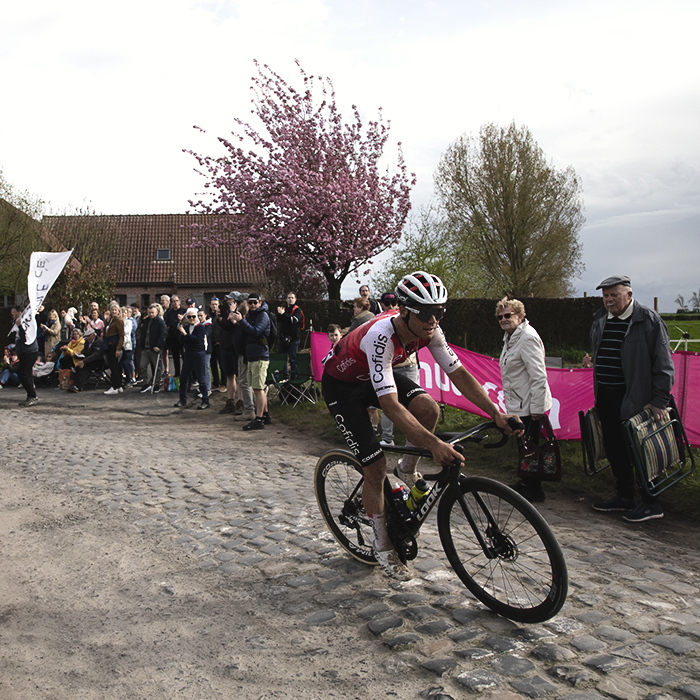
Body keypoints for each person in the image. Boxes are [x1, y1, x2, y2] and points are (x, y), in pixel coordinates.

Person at [322, 271, 517, 580]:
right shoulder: (381, 336)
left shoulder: (431, 331)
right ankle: (382, 544)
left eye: (440, 311)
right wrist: (433, 444)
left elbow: (459, 374)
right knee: (374, 468)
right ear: (404, 311)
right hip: (342, 387)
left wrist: (496, 413)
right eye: (426, 312)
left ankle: (406, 468)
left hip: (371, 377)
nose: (433, 320)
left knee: (428, 408)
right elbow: (391, 407)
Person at [590, 275, 674, 522]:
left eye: (614, 295)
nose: (608, 300)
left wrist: (660, 400)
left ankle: (651, 502)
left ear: (628, 294)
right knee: (615, 446)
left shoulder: (647, 320)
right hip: (606, 394)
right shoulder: (599, 318)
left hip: (636, 397)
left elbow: (664, 364)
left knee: (642, 448)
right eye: (605, 296)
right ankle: (624, 495)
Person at [496, 296, 553, 503]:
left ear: (520, 316)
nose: (503, 319)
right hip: (517, 404)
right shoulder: (510, 337)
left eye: (508, 315)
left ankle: (534, 489)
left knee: (531, 448)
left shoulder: (527, 337)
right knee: (524, 446)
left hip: (529, 405)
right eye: (500, 316)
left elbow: (538, 375)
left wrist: (537, 408)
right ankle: (525, 482)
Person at [229, 292, 270, 430]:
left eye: (255, 302)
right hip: (251, 355)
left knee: (258, 388)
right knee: (257, 387)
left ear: (260, 302)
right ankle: (265, 415)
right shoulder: (252, 315)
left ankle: (258, 420)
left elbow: (255, 331)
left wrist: (242, 321)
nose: (253, 305)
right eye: (250, 302)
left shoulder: (263, 315)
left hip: (259, 355)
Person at [174, 308, 210, 410]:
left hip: (198, 354)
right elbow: (181, 341)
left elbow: (197, 340)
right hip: (189, 354)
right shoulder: (185, 327)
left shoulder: (200, 327)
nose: (192, 319)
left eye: (193, 317)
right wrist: (182, 334)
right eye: (189, 317)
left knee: (201, 379)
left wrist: (185, 334)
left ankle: (205, 401)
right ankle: (182, 399)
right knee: (184, 377)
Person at [11, 306, 40, 406]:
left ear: (19, 313)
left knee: (22, 373)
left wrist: (19, 326)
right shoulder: (20, 321)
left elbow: (25, 337)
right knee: (26, 373)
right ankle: (31, 395)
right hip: (25, 351)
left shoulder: (26, 322)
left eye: (14, 313)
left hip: (29, 351)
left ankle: (32, 395)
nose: (12, 315)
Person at [137, 303, 168, 392]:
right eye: (149, 312)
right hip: (145, 348)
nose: (151, 314)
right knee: (142, 366)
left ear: (157, 312)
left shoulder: (160, 322)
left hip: (154, 349)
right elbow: (142, 333)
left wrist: (159, 346)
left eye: (152, 313)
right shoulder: (146, 321)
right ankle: (146, 383)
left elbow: (163, 334)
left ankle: (156, 384)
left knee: (157, 368)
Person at [276, 292, 304, 380]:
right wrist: (279, 314)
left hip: (294, 339)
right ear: (286, 299)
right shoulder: (284, 309)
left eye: (292, 298)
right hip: (283, 338)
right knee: (282, 358)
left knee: (292, 359)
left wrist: (283, 314)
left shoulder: (297, 310)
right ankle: (284, 376)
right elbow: (278, 320)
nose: (290, 299)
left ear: (295, 299)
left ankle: (293, 378)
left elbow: (293, 320)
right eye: (288, 297)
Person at [68, 326, 103, 393]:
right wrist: (80, 353)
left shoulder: (98, 342)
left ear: (93, 335)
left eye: (88, 336)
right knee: (78, 365)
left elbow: (96, 355)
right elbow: (85, 351)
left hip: (99, 360)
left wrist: (84, 361)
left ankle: (79, 386)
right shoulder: (87, 342)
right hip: (90, 359)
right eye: (86, 336)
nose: (87, 338)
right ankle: (76, 384)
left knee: (84, 366)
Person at [103, 302, 125, 395]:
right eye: (112, 310)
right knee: (115, 366)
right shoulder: (110, 320)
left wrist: (118, 349)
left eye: (116, 310)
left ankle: (115, 386)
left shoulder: (119, 321)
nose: (114, 311)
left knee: (114, 367)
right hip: (109, 344)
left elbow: (121, 336)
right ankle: (119, 385)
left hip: (114, 345)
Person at [164, 294, 184, 378]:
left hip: (183, 337)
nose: (175, 303)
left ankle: (187, 373)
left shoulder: (184, 311)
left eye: (177, 301)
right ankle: (177, 373)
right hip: (173, 337)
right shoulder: (169, 313)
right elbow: (167, 325)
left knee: (184, 356)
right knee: (175, 357)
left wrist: (182, 319)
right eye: (173, 301)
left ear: (179, 302)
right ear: (171, 303)